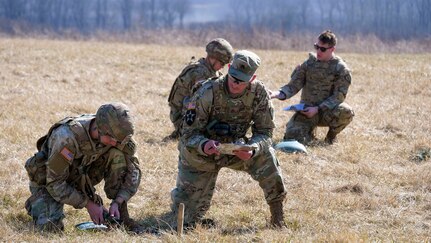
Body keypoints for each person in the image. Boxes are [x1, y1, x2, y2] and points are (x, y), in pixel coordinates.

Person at [170, 50, 287, 229]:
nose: (235, 84)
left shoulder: (259, 93)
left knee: (267, 156)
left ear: (252, 77)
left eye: (241, 81)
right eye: (233, 77)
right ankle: (188, 205)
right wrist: (204, 144)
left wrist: (252, 148)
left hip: (237, 150)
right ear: (229, 68)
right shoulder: (207, 91)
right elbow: (188, 134)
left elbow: (265, 132)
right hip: (201, 152)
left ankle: (277, 217)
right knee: (185, 219)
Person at [24, 102, 143, 233]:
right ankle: (38, 203)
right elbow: (54, 184)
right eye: (112, 139)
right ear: (98, 129)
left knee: (118, 155)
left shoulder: (118, 134)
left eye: (119, 141)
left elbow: (133, 171)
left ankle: (119, 216)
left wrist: (118, 201)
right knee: (49, 228)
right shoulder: (66, 137)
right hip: (50, 181)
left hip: (82, 174)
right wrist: (88, 204)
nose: (116, 143)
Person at [270, 30, 354, 145]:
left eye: (323, 49)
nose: (318, 51)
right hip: (306, 111)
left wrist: (318, 109)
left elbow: (338, 97)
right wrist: (276, 94)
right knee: (292, 138)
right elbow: (293, 86)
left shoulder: (341, 69)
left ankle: (331, 137)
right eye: (317, 47)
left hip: (327, 112)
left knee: (346, 112)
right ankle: (308, 132)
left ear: (332, 49)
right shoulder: (309, 64)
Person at [166, 38, 234, 140]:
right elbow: (195, 103)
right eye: (222, 63)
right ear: (213, 58)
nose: (222, 67)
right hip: (182, 116)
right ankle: (182, 133)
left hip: (187, 111)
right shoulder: (199, 73)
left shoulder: (210, 71)